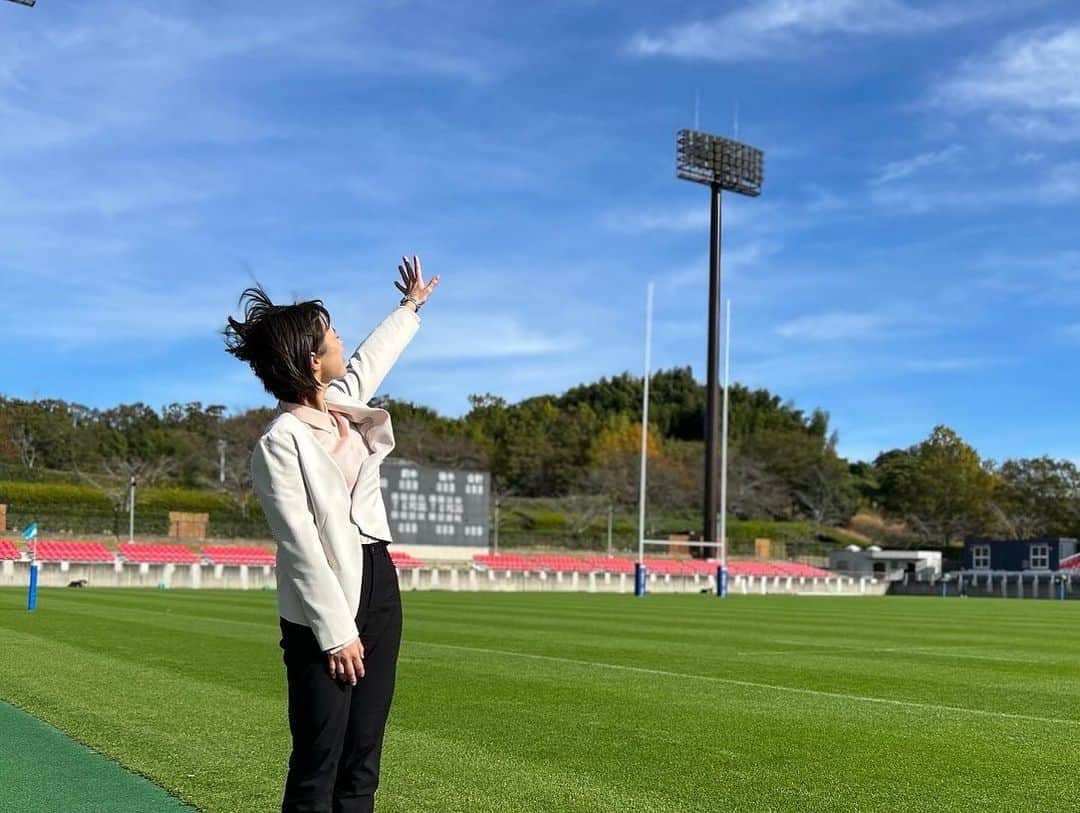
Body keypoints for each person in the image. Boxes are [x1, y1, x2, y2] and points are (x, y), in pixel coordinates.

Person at [223, 256, 439, 813]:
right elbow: (299, 545)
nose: (341, 338)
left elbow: (373, 358)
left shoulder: (342, 404)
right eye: (331, 335)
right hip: (324, 607)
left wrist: (410, 307)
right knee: (319, 761)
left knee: (363, 758)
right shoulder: (279, 443)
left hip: (378, 584)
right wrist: (336, 633)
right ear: (311, 361)